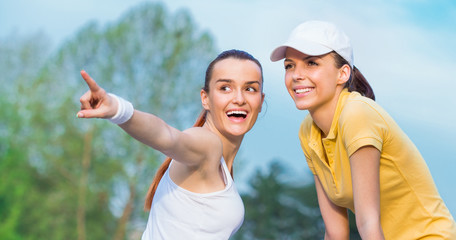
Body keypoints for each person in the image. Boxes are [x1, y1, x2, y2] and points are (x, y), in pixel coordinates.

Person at [270, 20, 456, 239]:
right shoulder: (308, 131)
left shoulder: (356, 113)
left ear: (343, 74)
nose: (296, 75)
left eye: (311, 63)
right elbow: (336, 232)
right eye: (289, 66)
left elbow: (368, 222)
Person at [77, 49, 265, 239]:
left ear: (261, 100)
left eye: (250, 89)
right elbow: (168, 136)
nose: (239, 99)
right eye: (225, 88)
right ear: (205, 99)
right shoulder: (208, 145)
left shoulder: (222, 167)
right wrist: (119, 110)